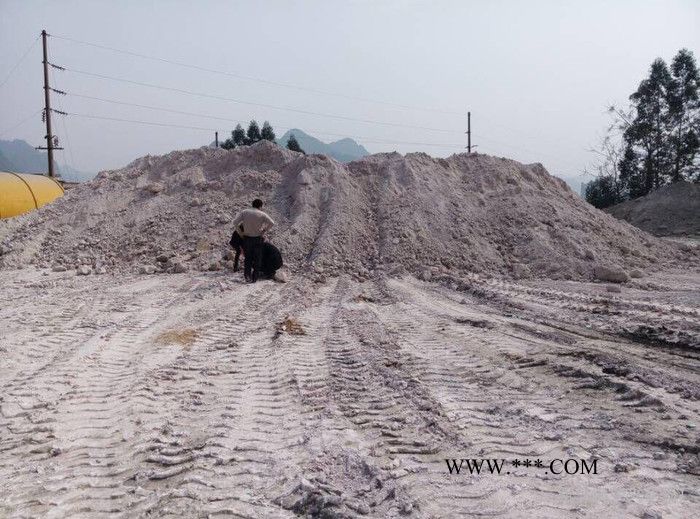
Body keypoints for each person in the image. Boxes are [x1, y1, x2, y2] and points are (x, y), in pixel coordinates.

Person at [231, 199, 275, 282]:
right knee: (257, 258)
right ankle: (255, 277)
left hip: (247, 238)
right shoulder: (262, 214)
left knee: (248, 258)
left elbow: (235, 222)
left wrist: (241, 233)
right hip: (258, 238)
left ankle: (247, 276)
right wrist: (264, 231)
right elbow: (272, 223)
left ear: (252, 204)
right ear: (260, 206)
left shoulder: (244, 212)